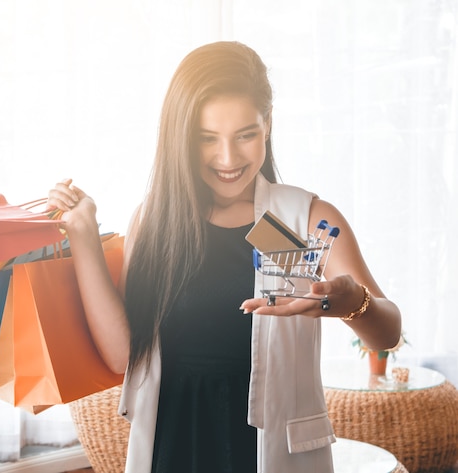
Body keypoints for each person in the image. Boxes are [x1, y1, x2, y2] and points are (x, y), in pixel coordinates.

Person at [47, 41, 402, 473]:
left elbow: (387, 333)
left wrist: (352, 304)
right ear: (180, 138)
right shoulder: (157, 222)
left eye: (246, 135)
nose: (228, 159)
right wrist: (83, 234)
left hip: (268, 450)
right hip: (174, 444)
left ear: (268, 125)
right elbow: (125, 357)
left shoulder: (301, 219)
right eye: (207, 138)